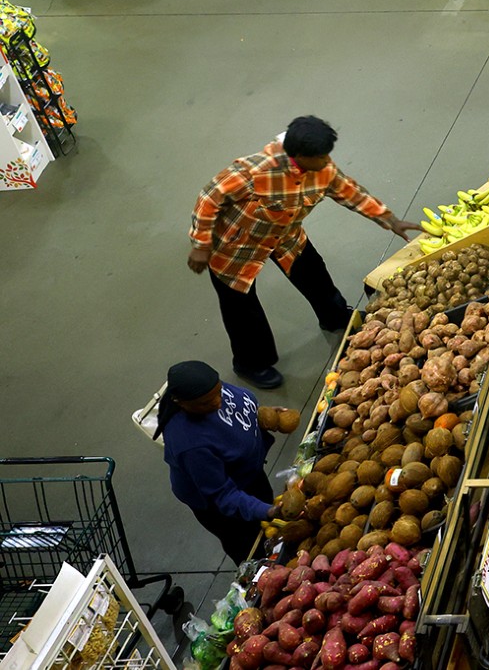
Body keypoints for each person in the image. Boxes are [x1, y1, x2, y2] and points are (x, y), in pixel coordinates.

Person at [188, 116, 421, 390]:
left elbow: (351, 192)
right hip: (236, 247)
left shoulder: (322, 169)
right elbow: (208, 200)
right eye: (321, 157)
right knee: (241, 310)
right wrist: (201, 245)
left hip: (286, 238)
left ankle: (334, 317)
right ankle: (251, 363)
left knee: (315, 276)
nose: (327, 162)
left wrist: (390, 219)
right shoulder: (253, 171)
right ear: (298, 156)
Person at [156, 360, 297, 562]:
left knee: (270, 522)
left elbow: (240, 406)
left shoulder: (210, 389)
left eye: (219, 392)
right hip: (222, 505)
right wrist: (266, 510)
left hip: (247, 475)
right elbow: (223, 495)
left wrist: (264, 416)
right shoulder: (190, 445)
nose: (217, 402)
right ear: (181, 403)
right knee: (251, 545)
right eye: (206, 402)